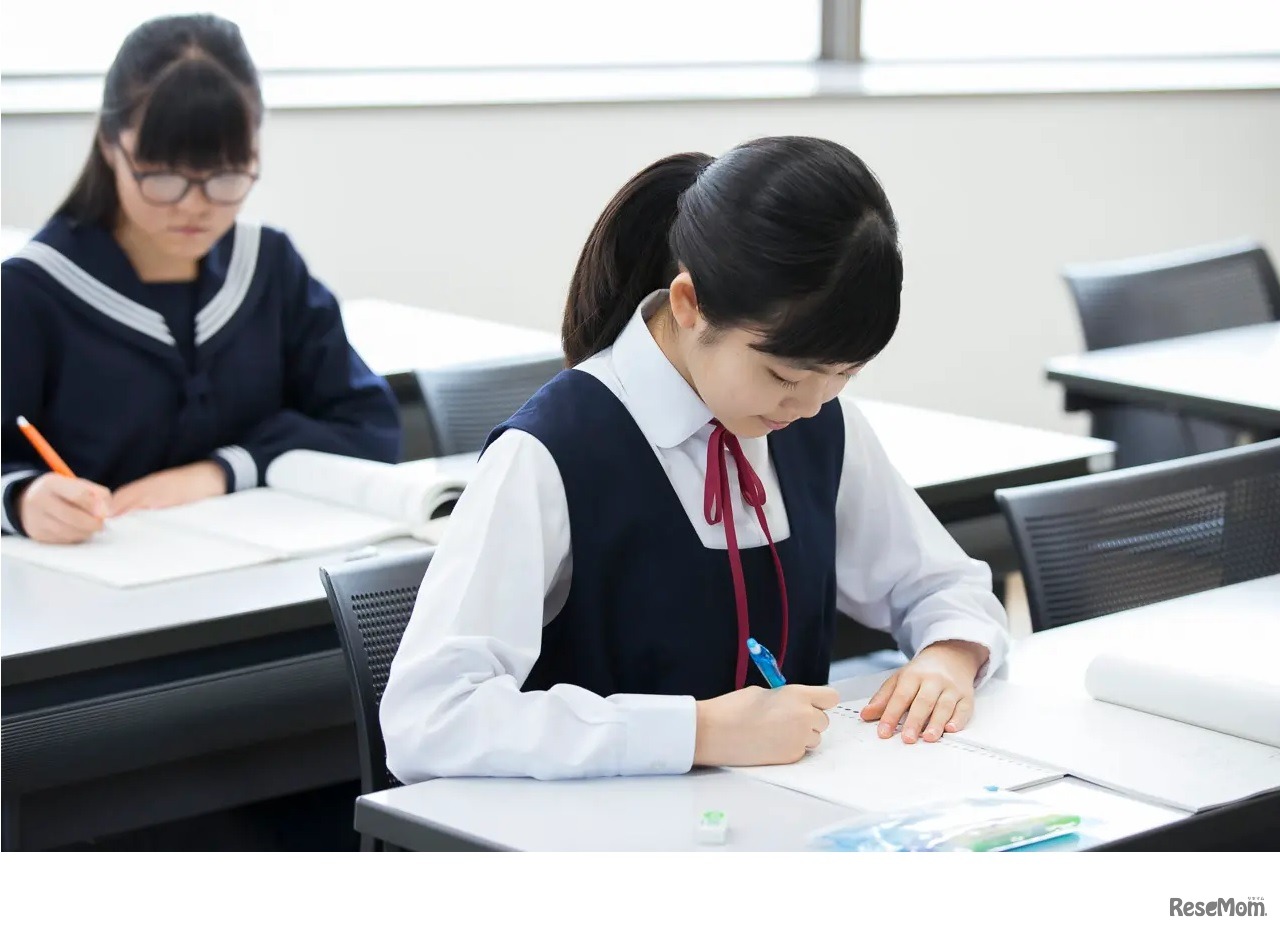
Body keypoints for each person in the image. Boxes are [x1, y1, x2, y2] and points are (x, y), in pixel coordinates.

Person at [380, 136, 1010, 782]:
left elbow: (942, 584)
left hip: (788, 815)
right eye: (784, 375)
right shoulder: (552, 452)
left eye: (844, 374)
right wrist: (699, 731)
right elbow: (429, 718)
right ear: (689, 304)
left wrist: (949, 655)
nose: (811, 405)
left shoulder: (815, 420)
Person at [2, 14, 399, 543]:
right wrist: (22, 499)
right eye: (164, 176)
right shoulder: (31, 292)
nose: (196, 206)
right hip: (93, 580)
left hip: (263, 572)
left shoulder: (268, 267)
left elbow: (369, 427)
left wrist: (222, 472)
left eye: (226, 176)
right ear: (109, 144)